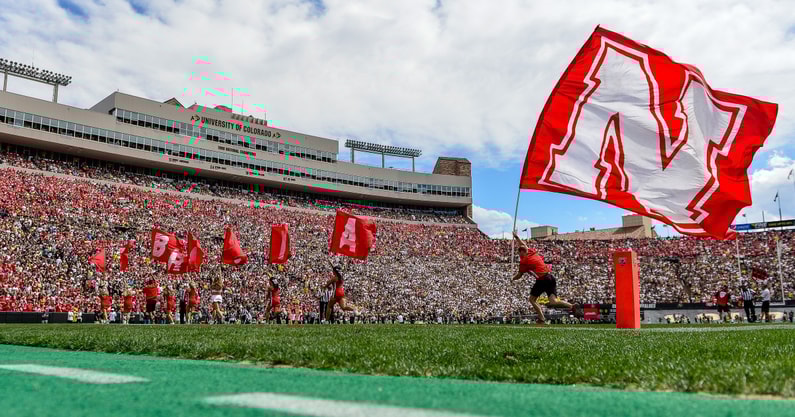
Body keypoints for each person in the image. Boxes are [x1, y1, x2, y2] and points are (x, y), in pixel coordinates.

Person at [511, 231, 581, 325]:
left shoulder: (524, 261)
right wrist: (516, 237)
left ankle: (541, 318)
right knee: (553, 302)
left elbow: (519, 275)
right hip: (550, 277)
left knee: (532, 300)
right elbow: (523, 244)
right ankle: (572, 306)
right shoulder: (531, 252)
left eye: (519, 253)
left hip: (542, 280)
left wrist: (512, 278)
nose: (519, 255)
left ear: (522, 252)